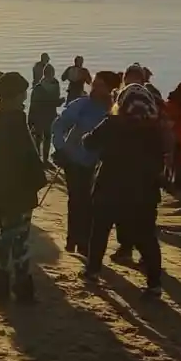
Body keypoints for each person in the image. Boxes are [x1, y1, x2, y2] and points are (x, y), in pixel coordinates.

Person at [82, 84, 168, 294]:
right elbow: (161, 159)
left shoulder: (112, 123)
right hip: (144, 192)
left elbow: (88, 143)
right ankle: (154, 283)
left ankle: (93, 271)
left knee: (100, 231)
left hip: (110, 187)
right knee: (146, 237)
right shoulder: (154, 129)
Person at [0, 71, 46, 303]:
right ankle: (21, 284)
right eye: (22, 94)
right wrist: (38, 179)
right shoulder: (15, 120)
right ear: (15, 95)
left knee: (6, 236)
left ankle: (1, 282)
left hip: (2, 190)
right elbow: (26, 157)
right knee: (19, 238)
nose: (24, 98)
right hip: (18, 190)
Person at [51, 71, 116, 254]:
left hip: (101, 164)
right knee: (77, 200)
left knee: (93, 204)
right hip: (75, 160)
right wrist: (61, 148)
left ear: (110, 89)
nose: (94, 88)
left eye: (100, 85)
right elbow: (59, 125)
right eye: (94, 84)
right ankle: (75, 240)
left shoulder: (115, 109)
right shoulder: (80, 105)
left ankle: (84, 240)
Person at [28, 64, 62, 165]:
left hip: (48, 115)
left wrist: (58, 102)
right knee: (40, 137)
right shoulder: (40, 87)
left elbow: (33, 104)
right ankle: (40, 160)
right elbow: (35, 104)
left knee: (46, 137)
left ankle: (44, 160)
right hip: (42, 115)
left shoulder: (49, 85)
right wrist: (31, 120)